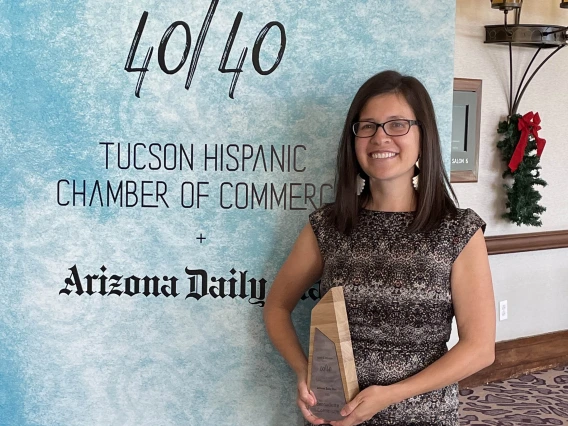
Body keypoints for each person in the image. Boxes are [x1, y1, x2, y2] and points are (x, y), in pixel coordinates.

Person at [263, 70, 496, 426]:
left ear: (424, 137)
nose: (380, 137)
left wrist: (390, 395)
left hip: (425, 418)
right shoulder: (329, 226)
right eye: (367, 126)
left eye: (397, 124)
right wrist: (305, 372)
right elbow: (277, 306)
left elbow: (479, 350)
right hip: (335, 417)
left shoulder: (457, 231)